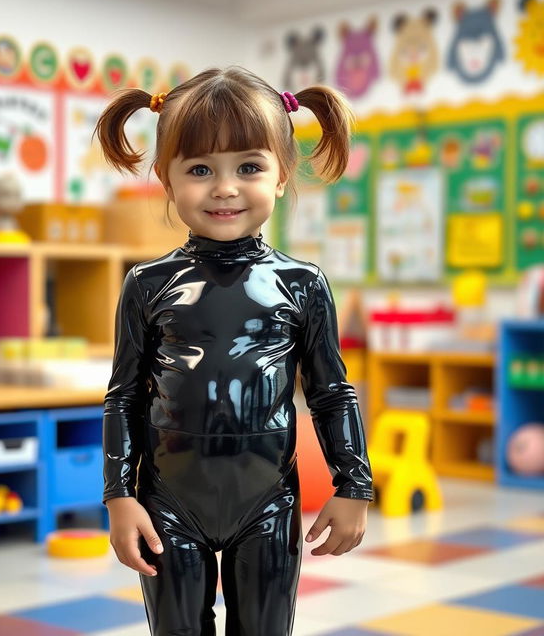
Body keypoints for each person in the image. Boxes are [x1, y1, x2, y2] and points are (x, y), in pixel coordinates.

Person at [95, 66, 373, 636]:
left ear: (281, 173)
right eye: (200, 169)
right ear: (167, 181)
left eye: (248, 166)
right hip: (167, 503)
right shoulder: (147, 284)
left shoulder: (302, 283)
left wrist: (354, 483)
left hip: (267, 504)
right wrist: (119, 495)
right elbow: (123, 397)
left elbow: (330, 392)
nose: (224, 187)